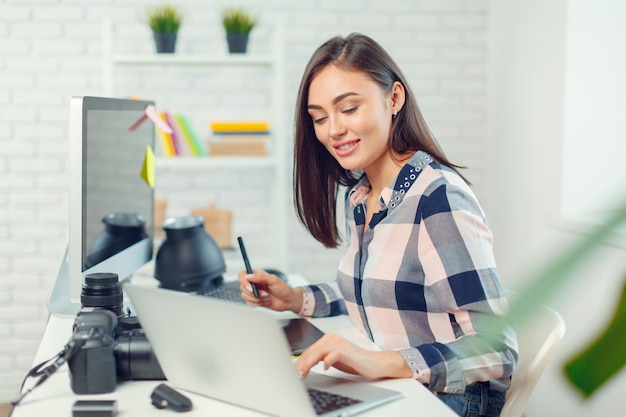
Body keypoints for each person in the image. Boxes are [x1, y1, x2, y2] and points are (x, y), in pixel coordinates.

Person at [238, 33, 518, 417]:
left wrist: (380, 362)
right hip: (403, 387)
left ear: (394, 99)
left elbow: (498, 348)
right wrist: (294, 299)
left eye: (348, 108)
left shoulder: (437, 199)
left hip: (452, 400)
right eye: (319, 118)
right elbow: (380, 294)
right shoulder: (364, 195)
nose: (332, 129)